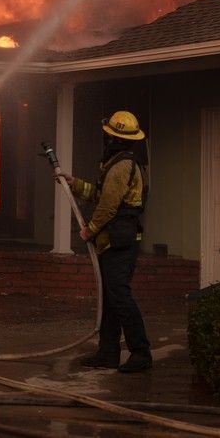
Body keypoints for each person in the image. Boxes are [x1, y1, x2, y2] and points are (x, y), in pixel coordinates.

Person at [58, 110, 152, 373]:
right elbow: (99, 195)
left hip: (118, 244)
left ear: (115, 139)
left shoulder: (122, 166)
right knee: (111, 299)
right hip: (114, 242)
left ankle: (141, 353)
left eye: (109, 135)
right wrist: (74, 183)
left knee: (120, 297)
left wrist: (90, 229)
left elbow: (108, 207)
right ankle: (108, 353)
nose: (106, 140)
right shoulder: (117, 164)